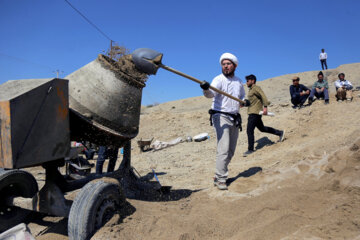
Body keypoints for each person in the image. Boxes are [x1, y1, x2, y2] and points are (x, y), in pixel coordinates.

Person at [200, 52, 245, 190]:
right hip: (220, 116)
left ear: (234, 66)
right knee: (223, 148)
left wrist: (244, 102)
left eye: (228, 64)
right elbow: (210, 95)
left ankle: (218, 173)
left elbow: (242, 98)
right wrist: (206, 89)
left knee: (231, 150)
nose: (225, 66)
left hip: (234, 117)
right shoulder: (218, 80)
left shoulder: (238, 82)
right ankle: (221, 178)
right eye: (223, 64)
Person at [243, 74, 285, 157]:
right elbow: (252, 102)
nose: (246, 82)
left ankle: (250, 149)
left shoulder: (256, 88)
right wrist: (244, 104)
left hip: (254, 113)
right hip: (254, 112)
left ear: (253, 81)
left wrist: (265, 107)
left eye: (248, 80)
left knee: (249, 130)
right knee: (262, 129)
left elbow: (263, 96)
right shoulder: (251, 90)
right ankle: (280, 133)